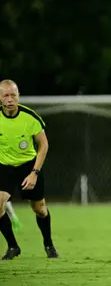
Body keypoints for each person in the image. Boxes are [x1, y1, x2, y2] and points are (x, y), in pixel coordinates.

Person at [0, 79, 59, 260]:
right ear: (0, 98)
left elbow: (44, 145)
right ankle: (12, 246)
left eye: (13, 95)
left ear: (18, 96)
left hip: (28, 166)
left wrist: (34, 173)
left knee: (39, 209)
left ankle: (48, 244)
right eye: (5, 95)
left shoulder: (30, 117)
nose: (10, 99)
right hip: (5, 167)